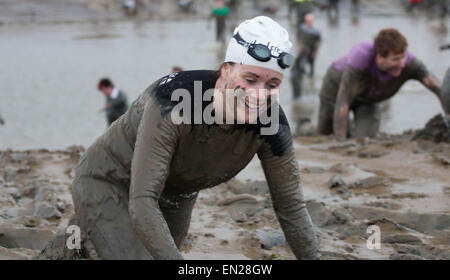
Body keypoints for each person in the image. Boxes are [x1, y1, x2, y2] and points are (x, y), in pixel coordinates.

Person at [41, 16, 320, 260]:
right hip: (111, 180)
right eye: (250, 80)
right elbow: (142, 199)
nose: (259, 95)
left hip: (176, 195)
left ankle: (81, 238)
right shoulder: (175, 102)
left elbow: (291, 207)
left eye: (272, 85)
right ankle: (85, 231)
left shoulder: (272, 124)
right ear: (226, 70)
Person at [317, 28, 447, 140]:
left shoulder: (410, 64)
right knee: (325, 134)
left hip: (368, 99)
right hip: (336, 90)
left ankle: (351, 129)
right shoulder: (361, 58)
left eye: (403, 57)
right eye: (395, 59)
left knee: (364, 139)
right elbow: (343, 102)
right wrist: (340, 141)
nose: (402, 63)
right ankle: (305, 127)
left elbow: (440, 90)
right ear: (379, 57)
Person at [291, 13, 321, 99]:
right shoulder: (302, 28)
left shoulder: (315, 31)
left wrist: (315, 52)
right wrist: (300, 46)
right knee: (301, 66)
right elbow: (298, 37)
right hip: (303, 51)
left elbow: (318, 42)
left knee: (312, 68)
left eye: (310, 21)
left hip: (312, 52)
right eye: (307, 21)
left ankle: (311, 81)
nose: (308, 22)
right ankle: (302, 80)